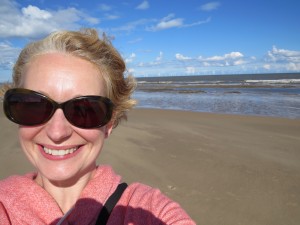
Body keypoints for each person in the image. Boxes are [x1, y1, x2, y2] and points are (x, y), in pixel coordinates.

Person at [0, 28, 195, 224]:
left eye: (84, 110)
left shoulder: (148, 210)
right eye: (35, 106)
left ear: (109, 124)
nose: (57, 132)